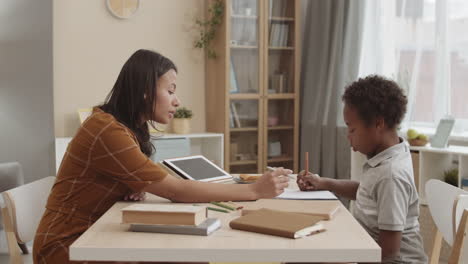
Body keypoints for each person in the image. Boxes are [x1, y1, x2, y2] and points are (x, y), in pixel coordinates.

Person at [33, 49, 291, 264]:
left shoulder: (122, 128)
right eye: (170, 90)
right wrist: (254, 190)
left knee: (183, 254)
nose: (177, 101)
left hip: (93, 234)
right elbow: (175, 190)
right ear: (146, 91)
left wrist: (127, 186)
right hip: (66, 246)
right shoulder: (107, 130)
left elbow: (158, 184)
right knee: (182, 256)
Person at [297, 75, 427, 264]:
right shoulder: (390, 155)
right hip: (368, 251)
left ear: (378, 123)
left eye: (352, 129)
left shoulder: (391, 176)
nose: (348, 137)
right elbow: (366, 191)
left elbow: (388, 255)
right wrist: (323, 183)